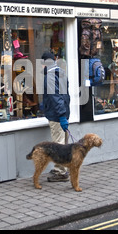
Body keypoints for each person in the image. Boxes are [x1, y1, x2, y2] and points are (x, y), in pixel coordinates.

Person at [41, 51, 71, 181]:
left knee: (58, 144)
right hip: (63, 112)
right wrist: (65, 113)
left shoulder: (51, 75)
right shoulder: (61, 72)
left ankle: (60, 172)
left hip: (57, 115)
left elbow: (55, 97)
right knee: (63, 143)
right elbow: (66, 95)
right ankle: (63, 168)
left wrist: (61, 115)